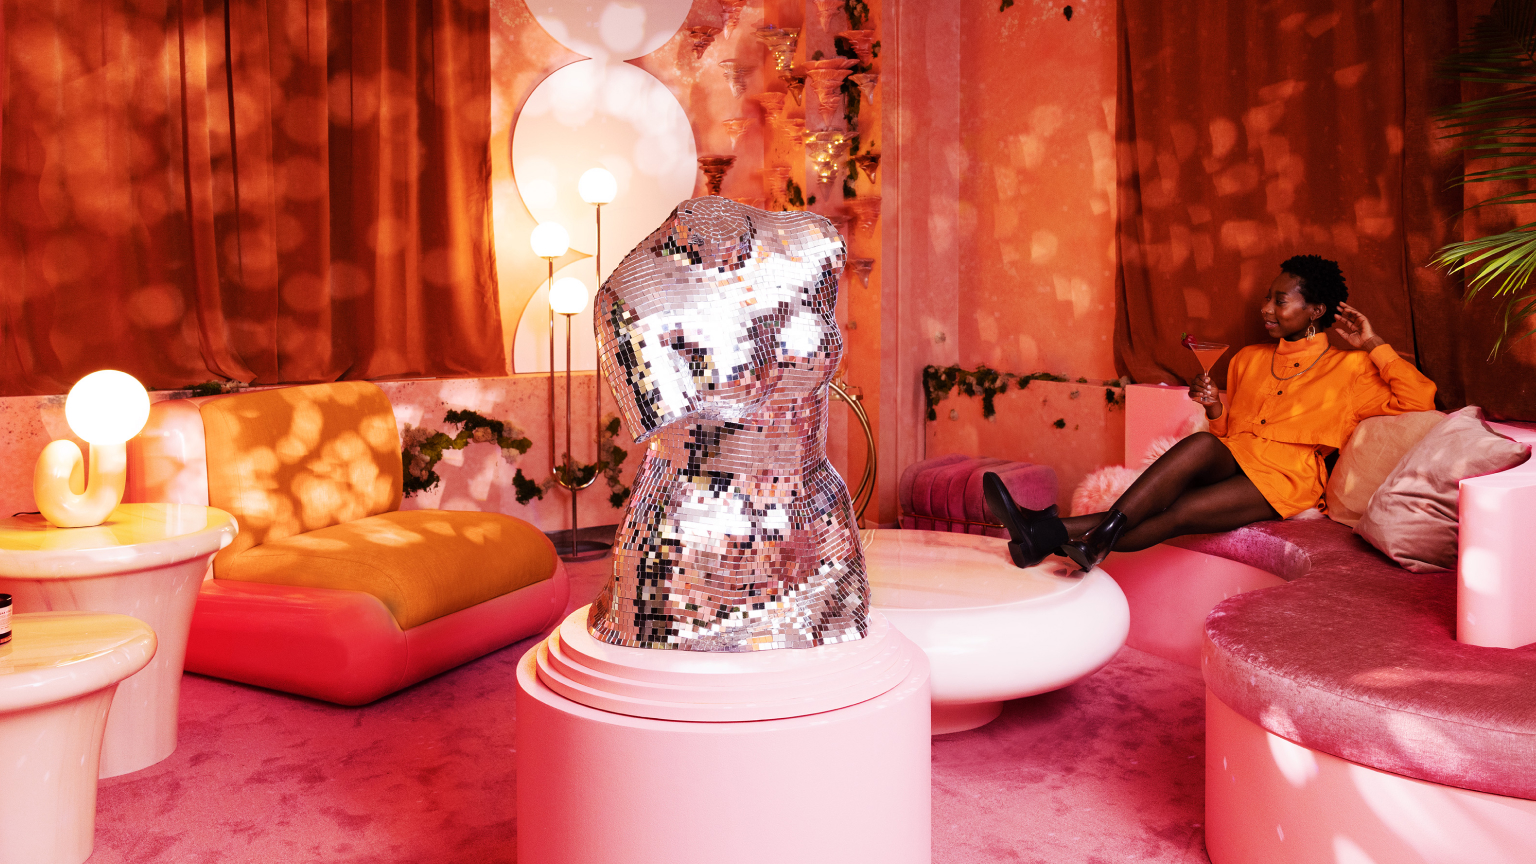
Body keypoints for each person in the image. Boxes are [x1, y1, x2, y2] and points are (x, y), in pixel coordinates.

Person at [984, 254, 1438, 571]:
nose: (1266, 308)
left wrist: (1373, 343)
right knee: (1203, 441)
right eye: (1268, 298)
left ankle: (1045, 533)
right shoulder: (1248, 359)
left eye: (1280, 300)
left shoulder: (1351, 368)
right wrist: (1215, 408)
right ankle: (1075, 538)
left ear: (1316, 310)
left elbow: (1419, 398)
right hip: (1236, 454)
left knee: (1179, 512)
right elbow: (1227, 431)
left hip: (1286, 477)